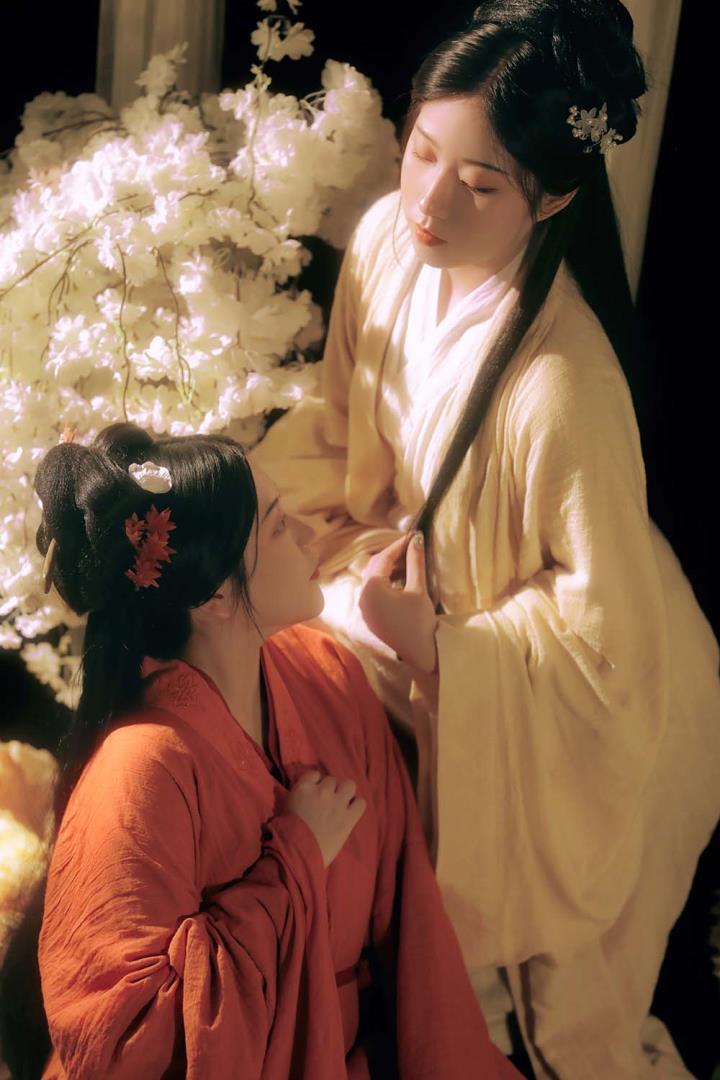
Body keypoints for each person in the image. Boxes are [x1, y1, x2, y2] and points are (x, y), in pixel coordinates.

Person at [251, 1, 720, 1076]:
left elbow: (606, 650)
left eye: (480, 183)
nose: (429, 201)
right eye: (422, 151)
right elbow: (339, 430)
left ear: (553, 196)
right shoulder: (386, 240)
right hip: (399, 582)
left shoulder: (563, 389)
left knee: (527, 1011)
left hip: (566, 675)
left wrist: (435, 646)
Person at [3, 422, 519, 1079]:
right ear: (216, 595)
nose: (305, 534)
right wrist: (292, 862)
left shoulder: (325, 672)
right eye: (276, 526)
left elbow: (410, 902)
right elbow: (129, 1043)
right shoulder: (138, 768)